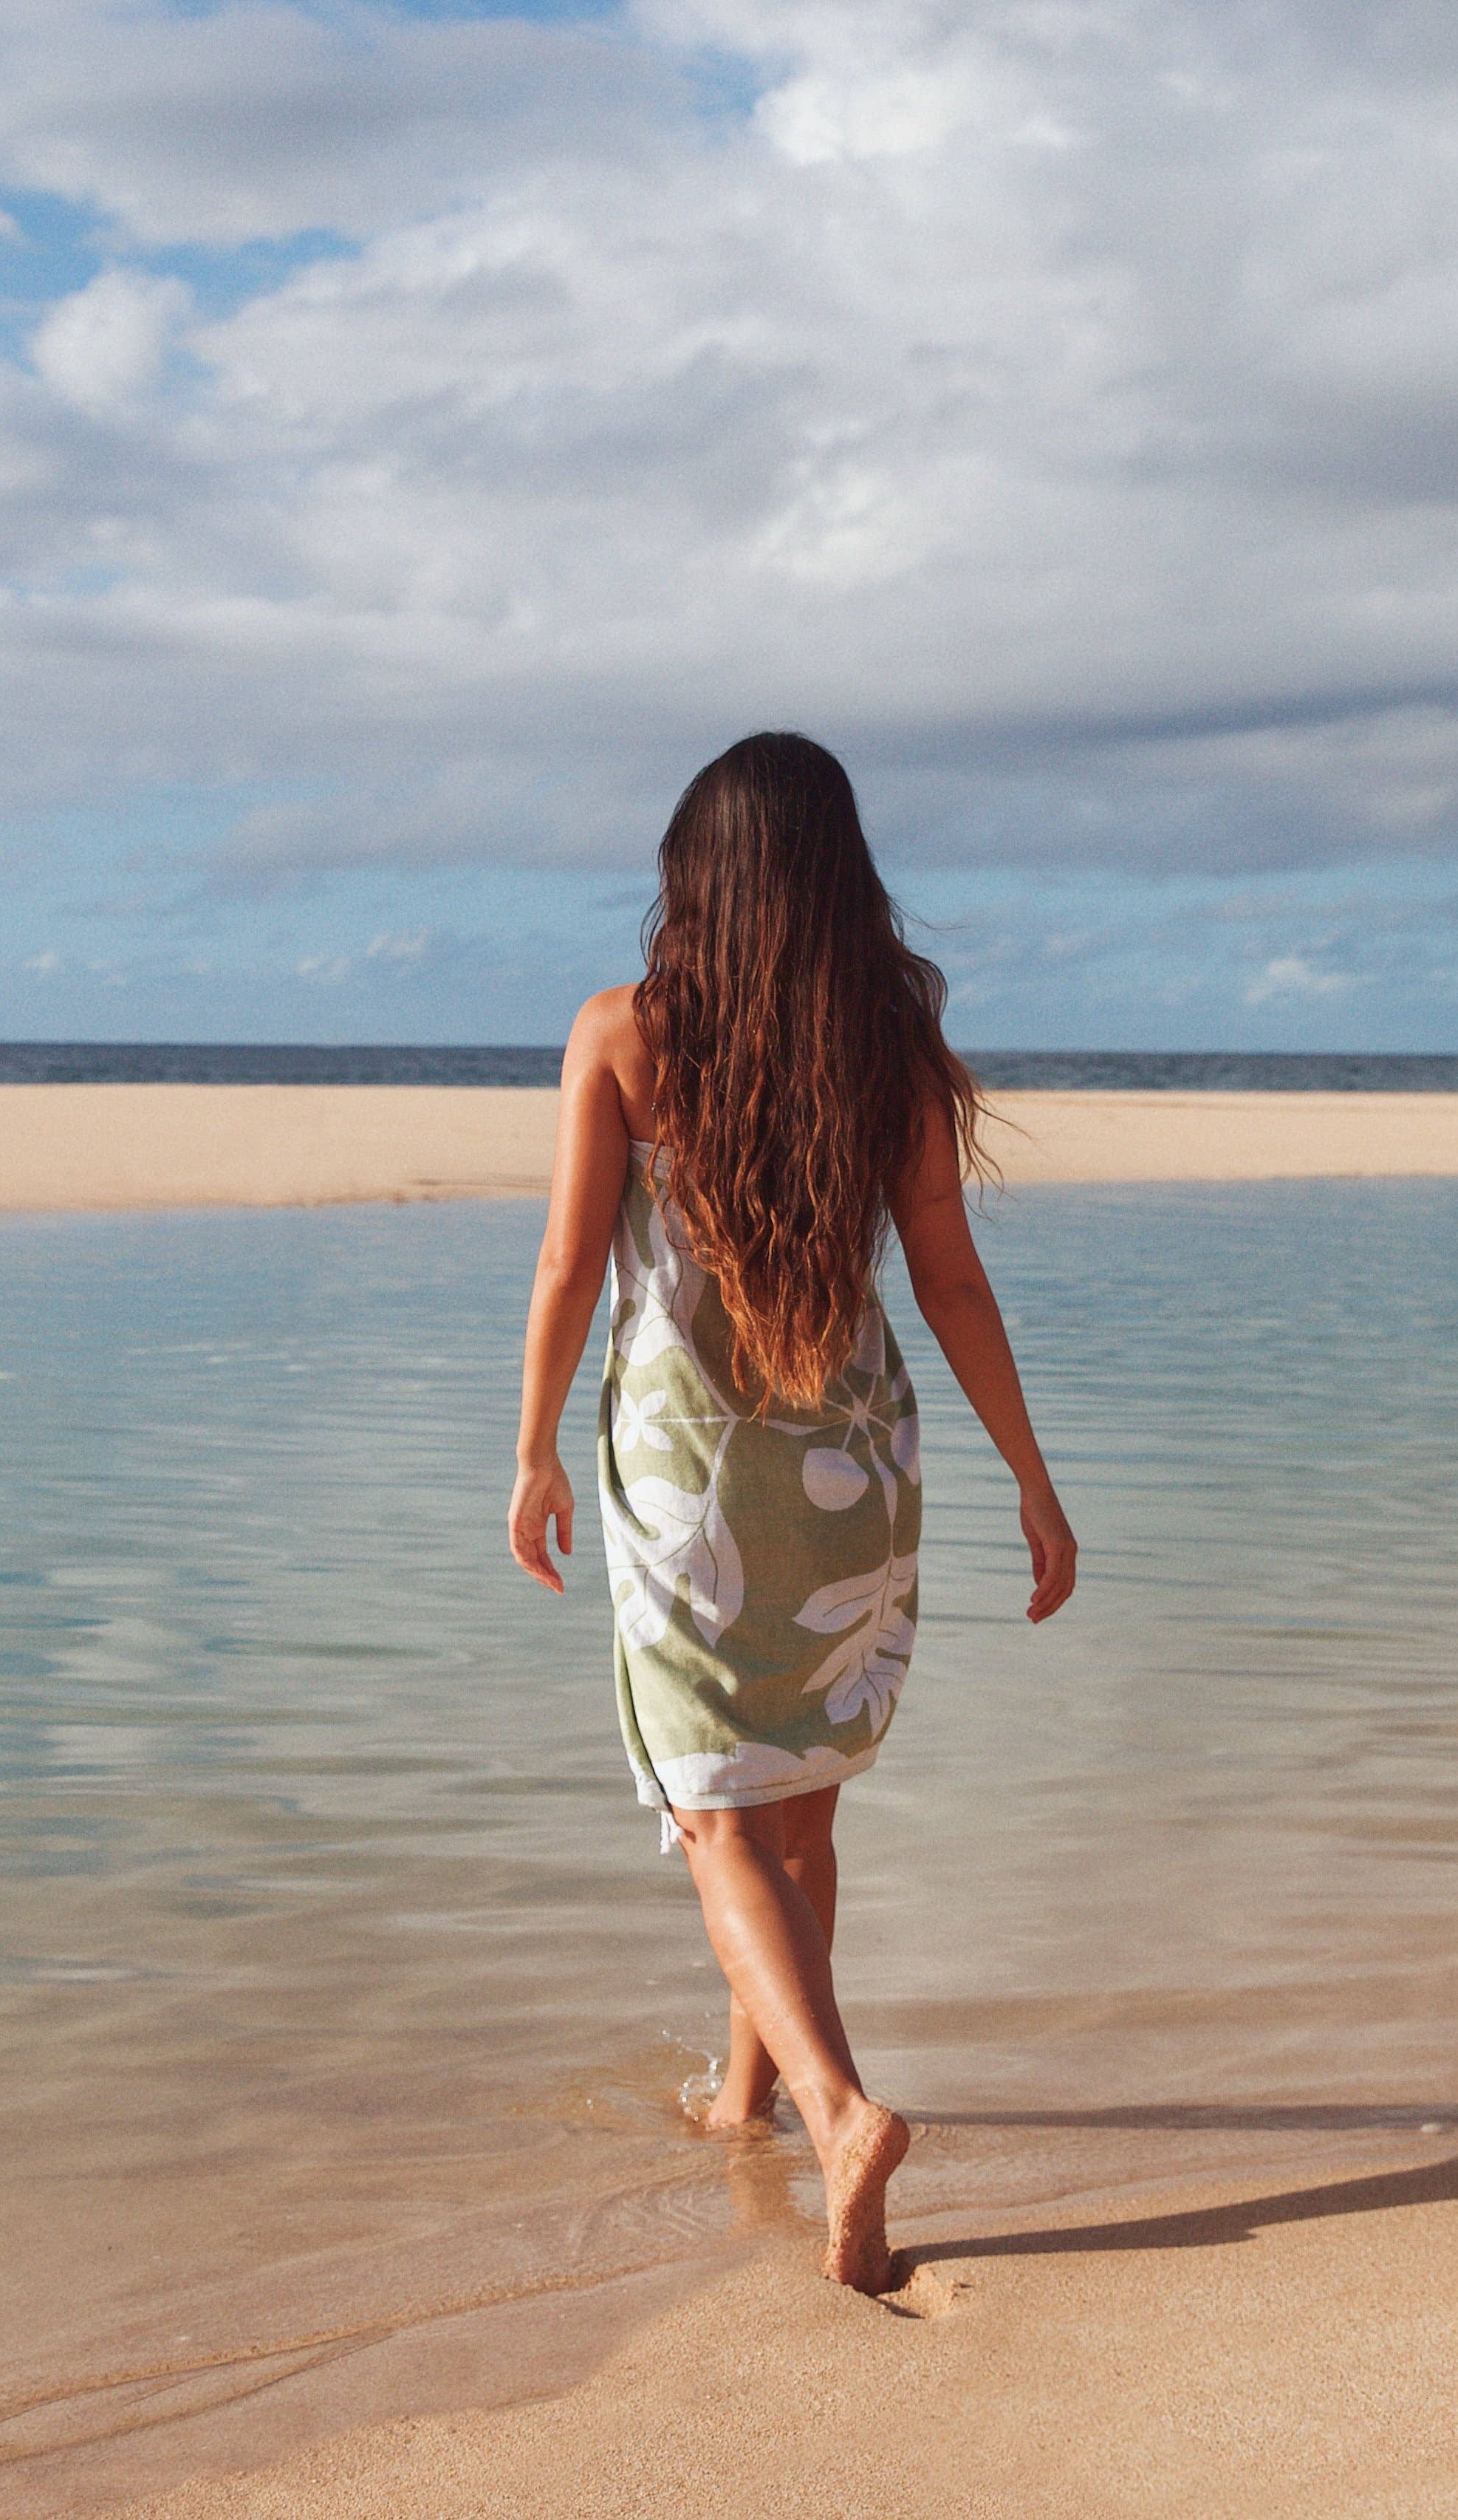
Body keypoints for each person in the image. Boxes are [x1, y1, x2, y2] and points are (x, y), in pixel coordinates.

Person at [507, 732, 1078, 2292]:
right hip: (855, 1479)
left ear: (695, 879)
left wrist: (534, 1448)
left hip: (695, 1488)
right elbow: (951, 1278)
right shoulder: (888, 1043)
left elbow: (568, 1268)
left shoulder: (623, 1035)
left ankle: (833, 2109)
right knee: (801, 1809)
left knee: (711, 1812)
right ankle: (745, 2099)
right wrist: (1033, 1475)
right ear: (840, 880)